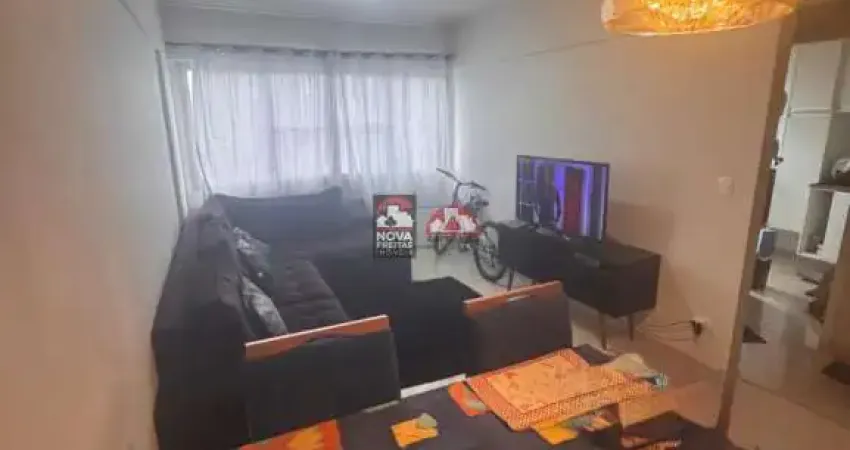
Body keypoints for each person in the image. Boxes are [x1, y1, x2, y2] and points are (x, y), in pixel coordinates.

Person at [534, 164, 562, 229]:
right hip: (544, 220)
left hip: (549, 220)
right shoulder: (540, 189)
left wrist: (556, 219)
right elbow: (535, 205)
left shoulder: (552, 189)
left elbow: (559, 208)